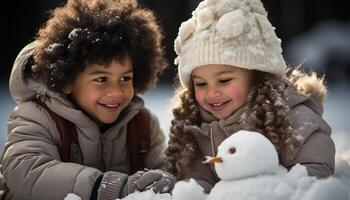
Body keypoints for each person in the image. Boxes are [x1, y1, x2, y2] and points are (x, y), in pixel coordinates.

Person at [0, 0, 175, 199]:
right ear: (66, 80)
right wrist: (107, 186)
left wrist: (165, 179)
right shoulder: (37, 116)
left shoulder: (141, 124)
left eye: (125, 78)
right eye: (101, 79)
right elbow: (25, 171)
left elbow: (165, 167)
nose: (116, 92)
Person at [165, 0, 335, 194]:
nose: (212, 93)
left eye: (224, 80)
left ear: (256, 76)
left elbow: (315, 169)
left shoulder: (292, 116)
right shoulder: (198, 126)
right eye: (201, 84)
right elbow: (197, 180)